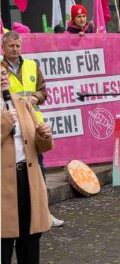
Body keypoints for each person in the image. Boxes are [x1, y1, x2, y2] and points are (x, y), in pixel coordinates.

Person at [1, 32, 63, 228]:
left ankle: (43, 211)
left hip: (32, 125)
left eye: (18, 46)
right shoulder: (1, 69)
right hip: (7, 125)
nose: (15, 49)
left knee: (38, 171)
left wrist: (36, 97)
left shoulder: (31, 66)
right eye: (11, 46)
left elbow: (44, 90)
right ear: (3, 47)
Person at [1, 64, 54, 264]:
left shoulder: (21, 103)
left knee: (30, 240)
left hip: (28, 180)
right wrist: (5, 122)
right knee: (4, 243)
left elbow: (38, 145)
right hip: (3, 186)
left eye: (4, 73)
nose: (3, 77)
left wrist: (44, 136)